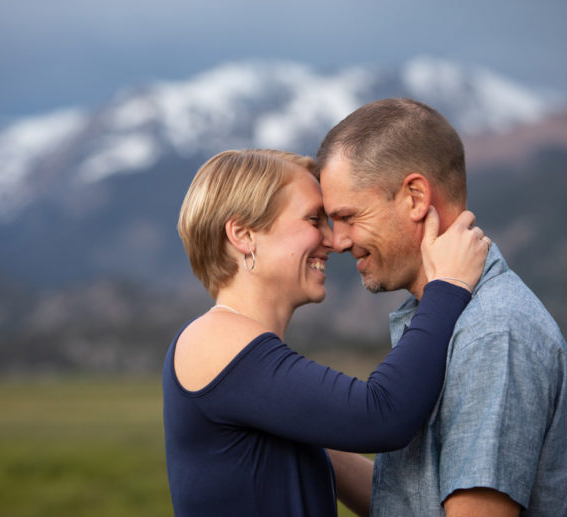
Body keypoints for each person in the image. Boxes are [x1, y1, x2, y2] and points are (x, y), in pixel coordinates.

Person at [163, 148, 490, 516]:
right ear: (243, 234)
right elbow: (383, 415)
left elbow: (387, 502)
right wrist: (448, 285)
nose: (333, 241)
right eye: (313, 219)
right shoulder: (213, 339)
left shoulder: (252, 374)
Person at [316, 98, 567, 516]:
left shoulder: (492, 332)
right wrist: (298, 432)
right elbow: (411, 502)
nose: (337, 241)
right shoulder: (449, 318)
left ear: (414, 197)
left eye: (349, 216)